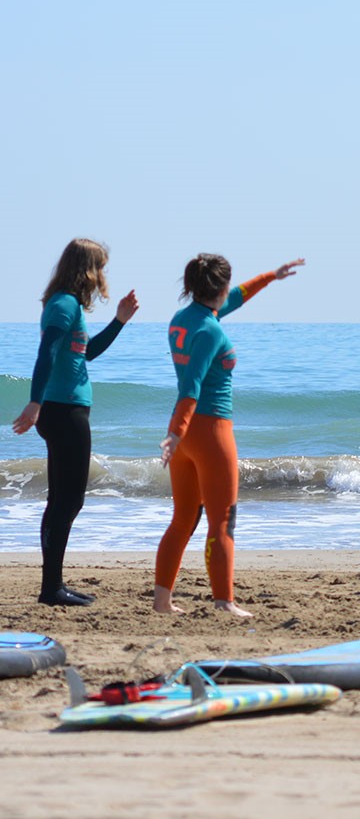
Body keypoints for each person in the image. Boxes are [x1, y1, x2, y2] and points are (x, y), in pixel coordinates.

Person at [154, 254, 304, 617]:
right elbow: (191, 386)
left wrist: (271, 275)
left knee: (182, 519)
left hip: (187, 436)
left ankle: (162, 602)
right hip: (211, 433)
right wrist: (176, 433)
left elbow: (233, 297)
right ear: (218, 288)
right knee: (221, 521)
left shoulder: (183, 320)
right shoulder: (211, 330)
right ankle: (224, 602)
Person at [12, 239, 138, 606]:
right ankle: (51, 589)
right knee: (66, 502)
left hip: (68, 409)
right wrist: (35, 402)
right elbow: (46, 352)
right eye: (100, 267)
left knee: (67, 501)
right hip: (62, 411)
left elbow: (88, 354)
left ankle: (54, 585)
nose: (103, 276)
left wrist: (119, 321)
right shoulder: (64, 305)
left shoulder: (67, 306)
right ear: (87, 269)